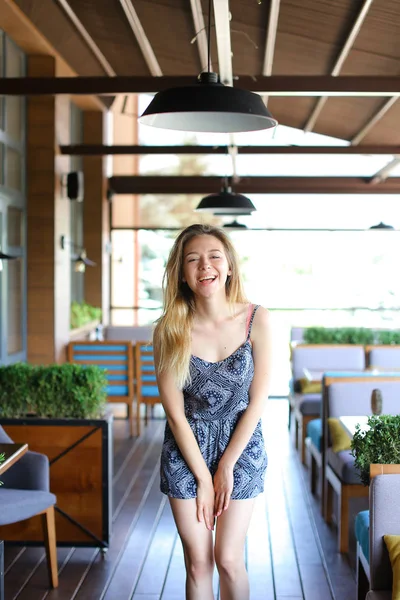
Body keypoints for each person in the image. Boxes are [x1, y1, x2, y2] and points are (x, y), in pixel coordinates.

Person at [153, 223, 271, 600]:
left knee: (229, 559)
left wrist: (225, 467)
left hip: (242, 448)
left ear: (230, 266)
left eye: (214, 256)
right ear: (183, 274)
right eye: (193, 259)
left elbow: (257, 402)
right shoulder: (169, 330)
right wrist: (204, 478)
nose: (205, 266)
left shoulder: (257, 319)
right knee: (198, 562)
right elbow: (175, 415)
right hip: (186, 451)